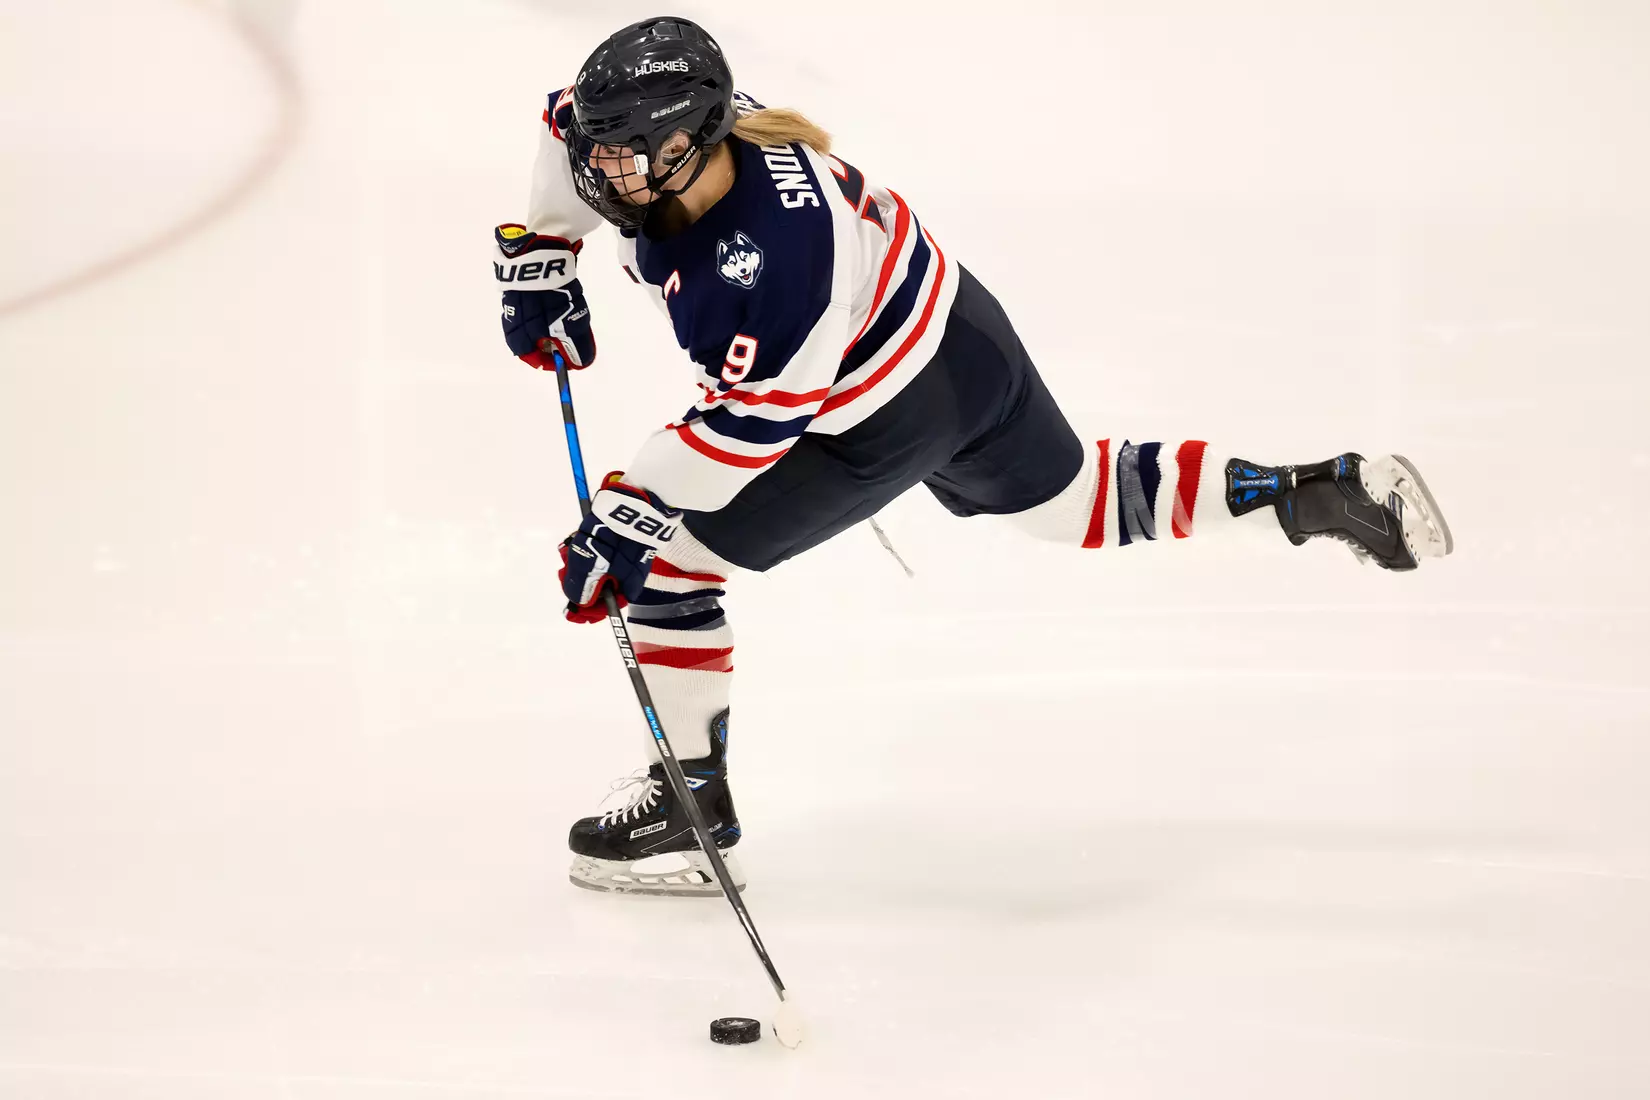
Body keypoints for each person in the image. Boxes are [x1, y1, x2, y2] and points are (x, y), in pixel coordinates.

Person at [493, 16, 1454, 896]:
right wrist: (544, 250)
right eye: (600, 151)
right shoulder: (690, 135)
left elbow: (751, 427)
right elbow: (560, 126)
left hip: (876, 416)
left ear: (689, 141)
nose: (600, 173)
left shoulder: (778, 257)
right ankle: (1312, 494)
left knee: (665, 568)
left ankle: (692, 812)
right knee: (1079, 501)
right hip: (963, 340)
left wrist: (630, 511)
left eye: (624, 156)